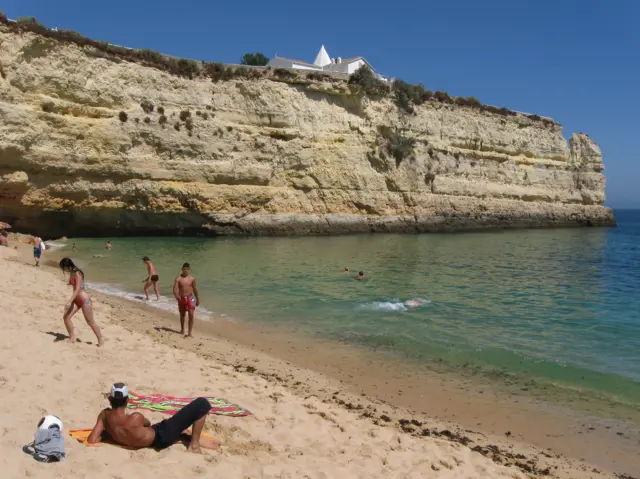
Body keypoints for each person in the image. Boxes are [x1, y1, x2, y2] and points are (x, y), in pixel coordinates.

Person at [88, 383, 218, 453]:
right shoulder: (135, 418)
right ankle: (194, 446)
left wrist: (109, 435)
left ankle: (183, 435)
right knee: (202, 404)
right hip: (161, 436)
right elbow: (148, 423)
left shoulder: (104, 415)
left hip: (153, 439)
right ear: (127, 400)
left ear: (110, 399)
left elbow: (92, 439)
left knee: (178, 431)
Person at [59, 257, 103, 347]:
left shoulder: (77, 273)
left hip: (84, 300)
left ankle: (100, 340)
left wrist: (69, 301)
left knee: (90, 321)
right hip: (76, 299)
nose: (64, 270)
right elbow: (74, 286)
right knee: (66, 317)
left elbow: (78, 288)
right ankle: (72, 337)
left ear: (68, 266)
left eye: (64, 268)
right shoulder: (72, 273)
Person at [173, 263, 200, 337]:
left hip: (191, 298)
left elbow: (195, 289)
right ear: (182, 269)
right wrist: (176, 295)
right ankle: (182, 329)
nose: (185, 270)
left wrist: (197, 299)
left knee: (191, 315)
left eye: (187, 269)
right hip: (181, 298)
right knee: (182, 315)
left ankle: (189, 333)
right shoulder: (178, 278)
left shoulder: (192, 279)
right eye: (184, 269)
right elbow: (175, 289)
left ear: (189, 270)